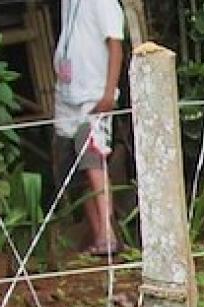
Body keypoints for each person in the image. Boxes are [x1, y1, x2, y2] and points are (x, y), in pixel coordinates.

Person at [54, 0, 126, 256]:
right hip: (67, 94)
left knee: (93, 159)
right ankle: (99, 236)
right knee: (78, 166)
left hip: (92, 95)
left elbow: (115, 45)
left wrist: (108, 93)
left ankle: (108, 234)